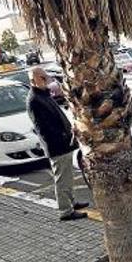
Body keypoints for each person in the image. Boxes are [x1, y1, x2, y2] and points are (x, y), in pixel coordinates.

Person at [27, 67, 88, 221]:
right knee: (62, 178)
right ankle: (66, 211)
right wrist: (61, 136)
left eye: (46, 77)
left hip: (64, 143)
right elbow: (42, 128)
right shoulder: (35, 100)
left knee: (68, 176)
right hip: (57, 146)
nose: (46, 80)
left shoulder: (43, 95)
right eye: (42, 78)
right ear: (33, 80)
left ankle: (71, 202)